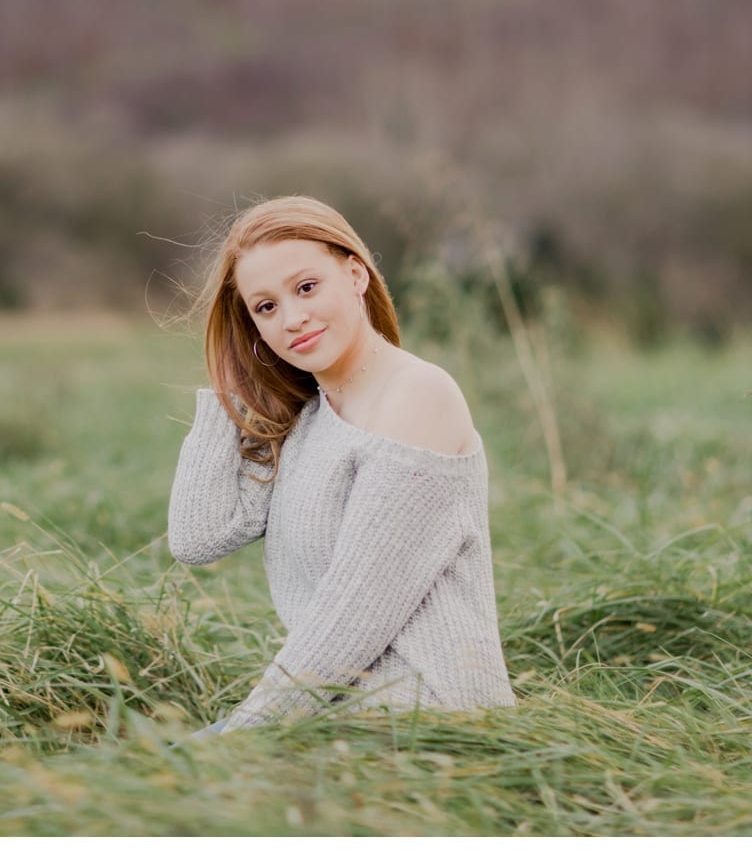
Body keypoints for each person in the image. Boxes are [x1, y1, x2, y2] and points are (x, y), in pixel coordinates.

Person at [167, 195, 516, 736]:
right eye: (266, 308)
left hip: (433, 725)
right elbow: (198, 537)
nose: (293, 318)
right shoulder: (308, 417)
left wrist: (236, 734)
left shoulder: (418, 396)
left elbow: (351, 617)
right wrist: (231, 390)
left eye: (306, 288)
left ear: (355, 274)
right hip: (334, 718)